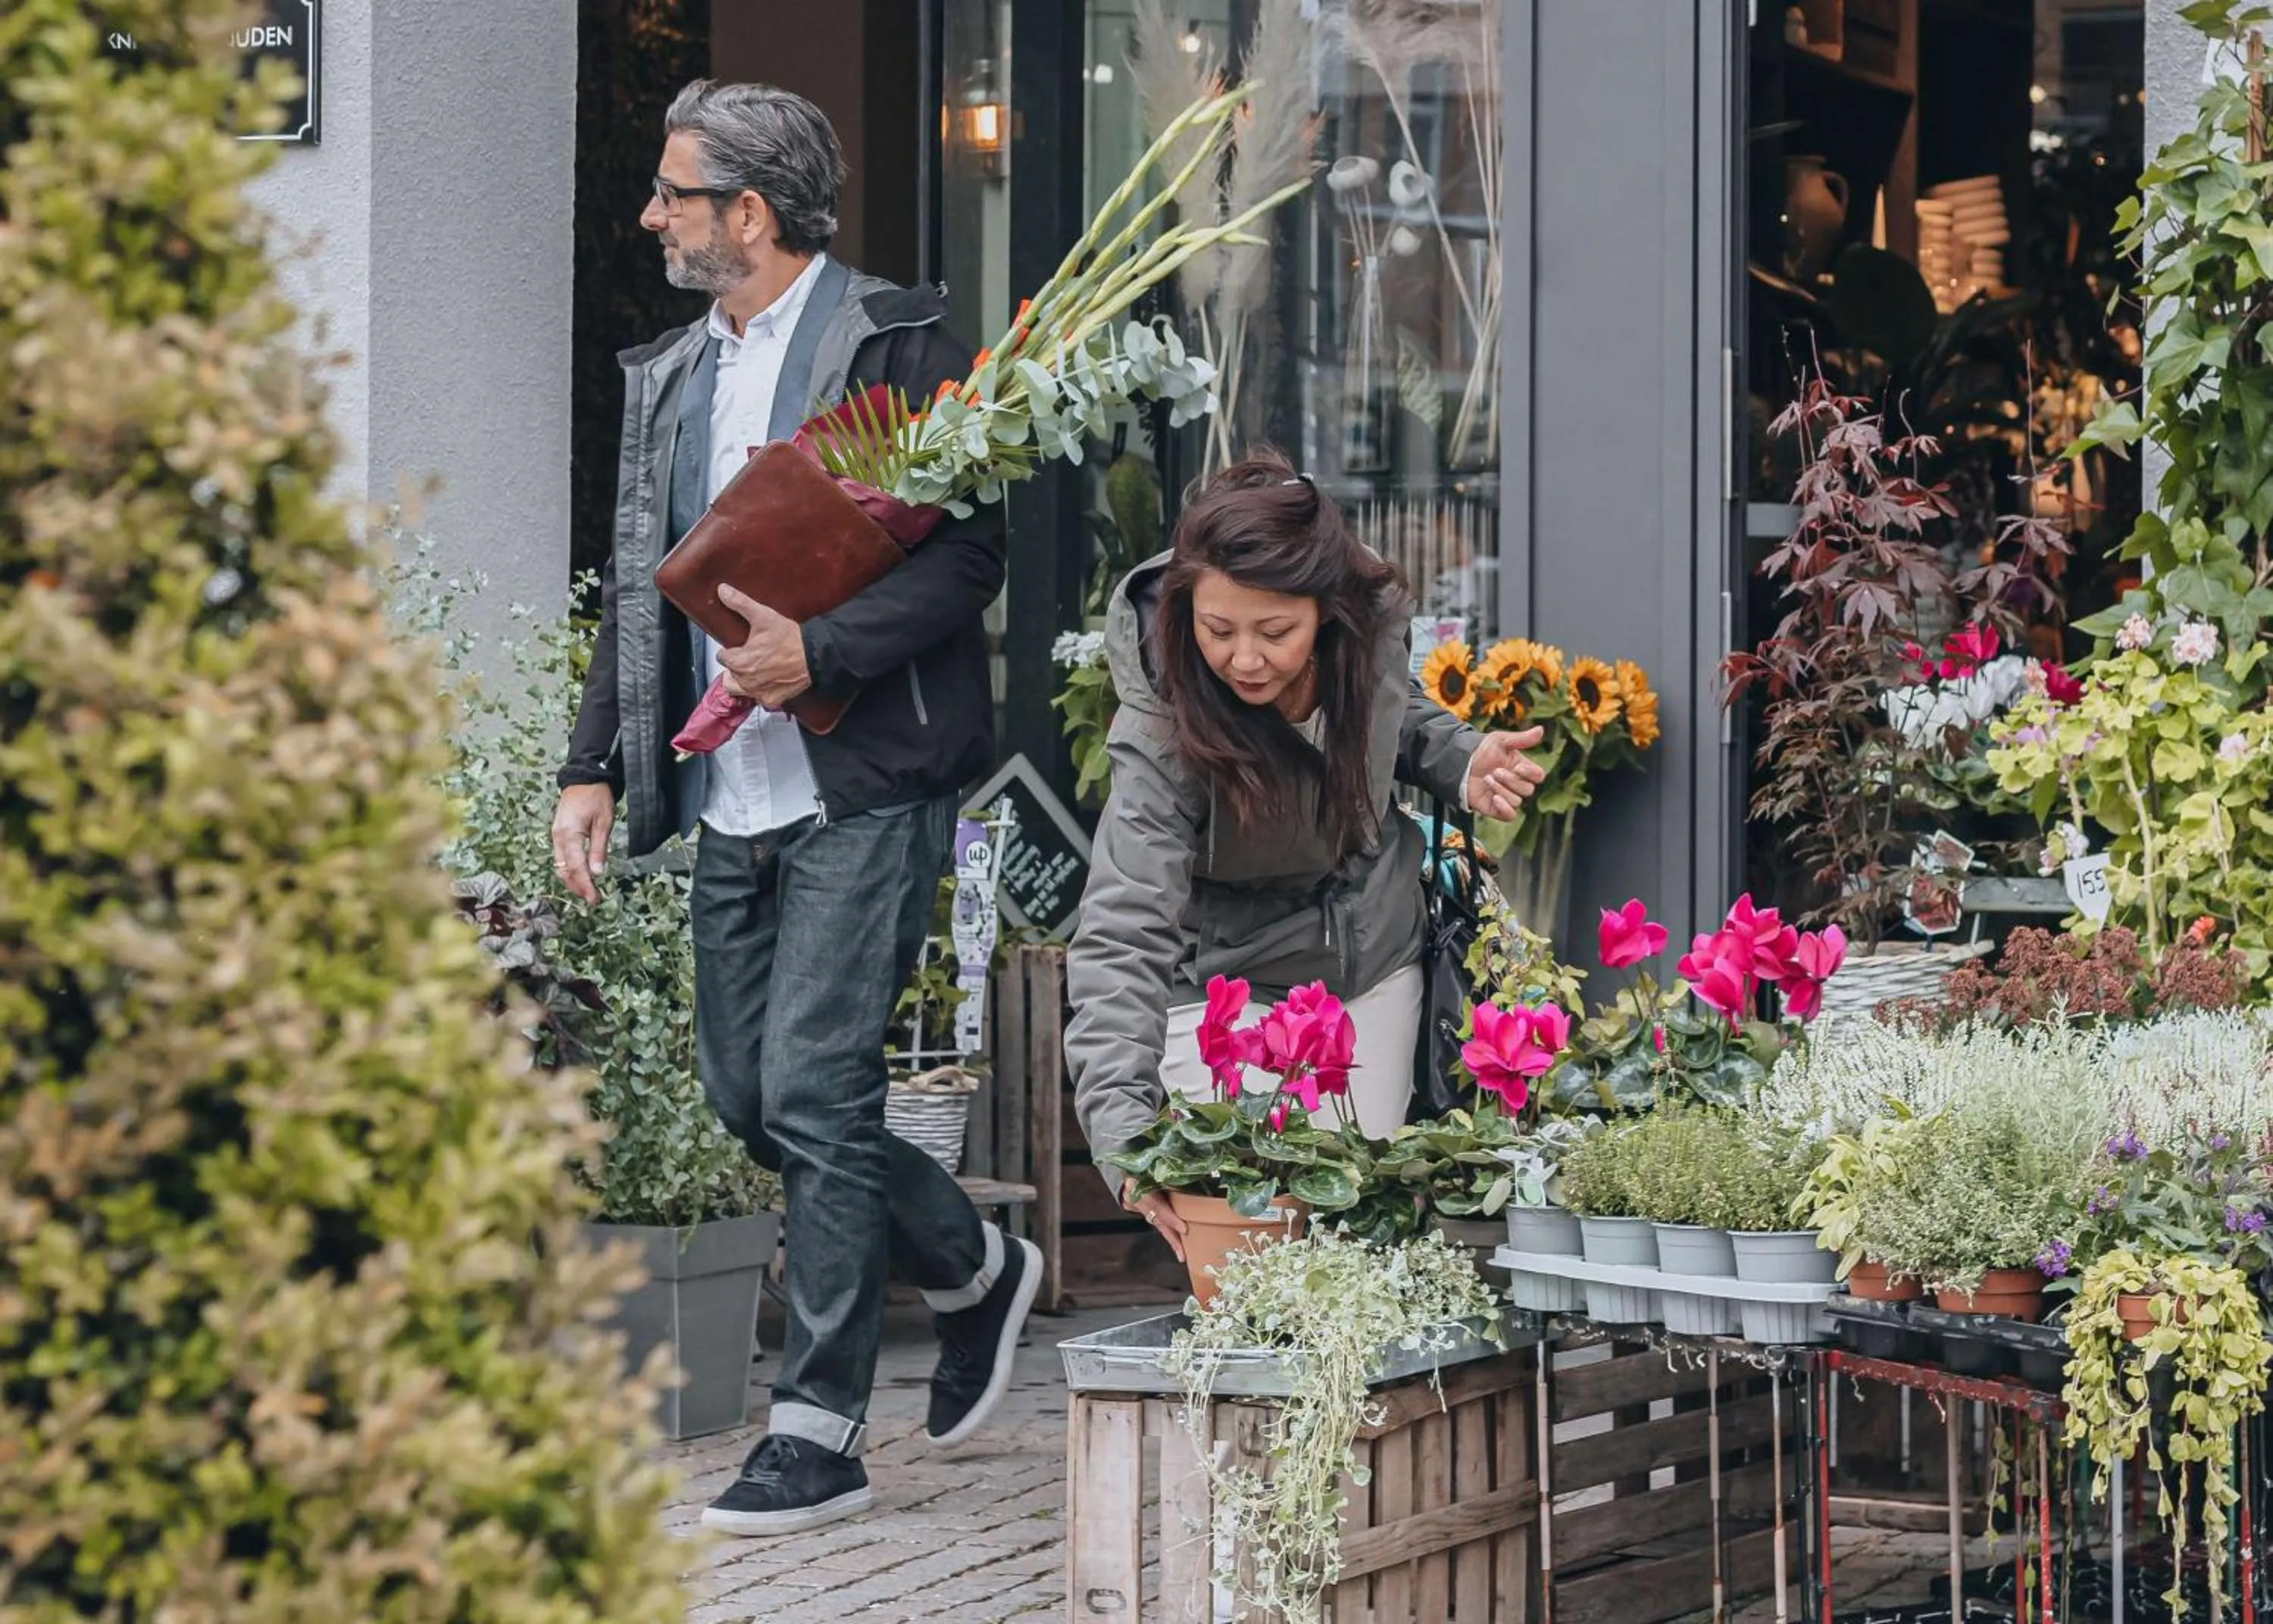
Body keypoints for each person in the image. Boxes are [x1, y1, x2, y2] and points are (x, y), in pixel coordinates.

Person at [551, 80, 1037, 1538]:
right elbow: (646, 576)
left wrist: (818, 653)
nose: (650, 214)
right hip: (728, 788)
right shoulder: (676, 372)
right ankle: (972, 1262)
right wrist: (593, 761)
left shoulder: (895, 344)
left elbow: (970, 559)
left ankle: (818, 1428)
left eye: (671, 191)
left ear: (747, 214)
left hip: (862, 782)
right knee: (751, 1097)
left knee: (819, 1093)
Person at [1064, 451, 1546, 1257]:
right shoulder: (1165, 723)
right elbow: (1124, 923)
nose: (1245, 659)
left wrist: (1459, 757)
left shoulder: (1367, 634)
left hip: (1378, 966)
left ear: (1327, 613)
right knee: (1252, 1257)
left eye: (1275, 631)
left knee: (1360, 1244)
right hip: (1230, 986)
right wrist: (1124, 1134)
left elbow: (1389, 716)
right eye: (1219, 630)